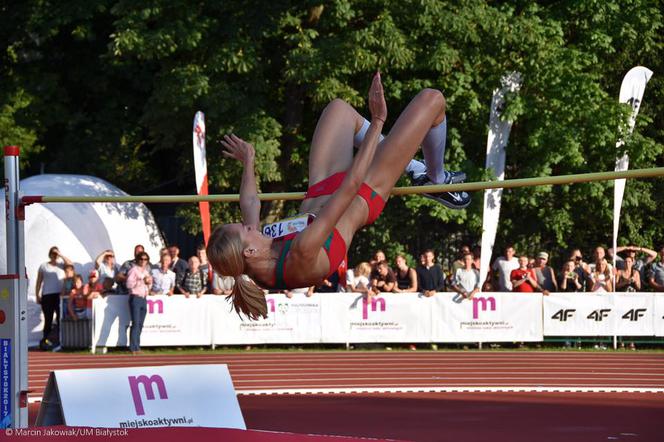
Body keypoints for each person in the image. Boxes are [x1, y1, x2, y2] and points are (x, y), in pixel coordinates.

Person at [208, 74, 468, 319]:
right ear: (250, 250)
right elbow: (351, 185)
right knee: (432, 100)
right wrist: (378, 120)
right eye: (245, 228)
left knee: (338, 109)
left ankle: (412, 167)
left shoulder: (251, 257)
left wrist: (249, 160)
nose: (251, 224)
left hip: (321, 188)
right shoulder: (299, 253)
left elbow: (250, 202)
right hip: (362, 193)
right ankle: (437, 179)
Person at [35, 246, 73, 349]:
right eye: (53, 253)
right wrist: (37, 294)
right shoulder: (43, 266)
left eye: (56, 253)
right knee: (48, 319)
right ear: (50, 254)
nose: (54, 255)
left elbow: (70, 264)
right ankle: (45, 341)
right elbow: (39, 280)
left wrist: (60, 254)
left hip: (59, 295)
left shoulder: (61, 265)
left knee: (60, 317)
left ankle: (60, 340)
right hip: (47, 295)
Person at [126, 251, 152, 354]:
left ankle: (137, 347)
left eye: (145, 259)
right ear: (137, 260)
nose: (143, 261)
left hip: (143, 298)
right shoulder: (133, 270)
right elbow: (128, 284)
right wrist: (141, 281)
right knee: (136, 323)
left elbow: (148, 286)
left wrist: (149, 283)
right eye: (141, 259)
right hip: (135, 297)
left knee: (140, 324)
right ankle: (133, 348)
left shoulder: (146, 272)